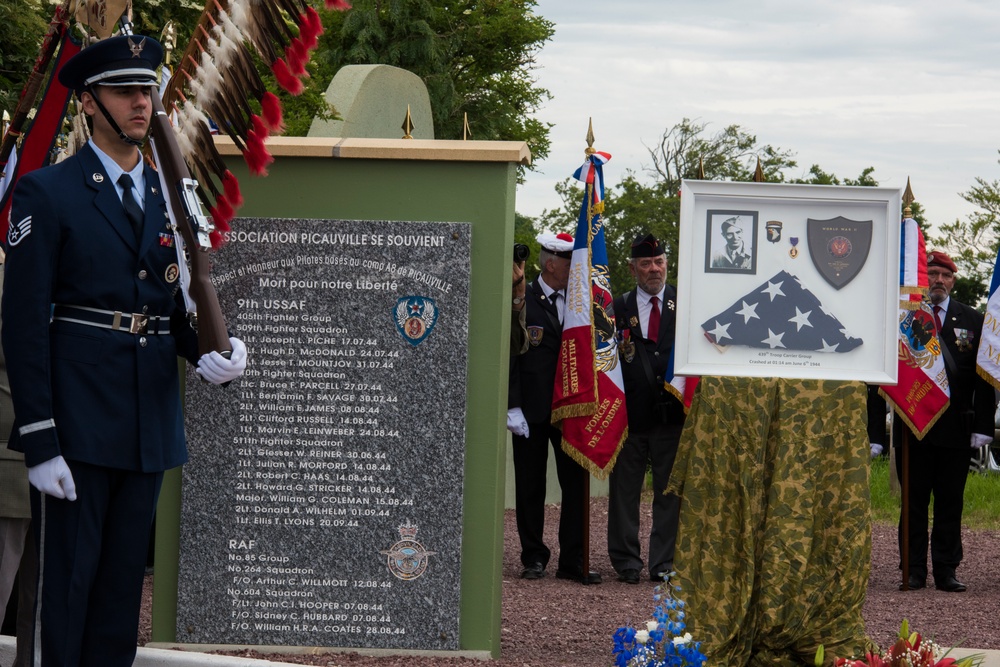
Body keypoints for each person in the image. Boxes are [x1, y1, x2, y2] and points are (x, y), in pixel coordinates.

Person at [1, 35, 247, 665]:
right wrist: (39, 436)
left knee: (116, 604)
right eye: (124, 91)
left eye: (148, 90)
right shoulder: (47, 193)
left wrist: (210, 353)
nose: (142, 103)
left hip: (147, 421)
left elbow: (176, 302)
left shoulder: (173, 196)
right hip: (77, 425)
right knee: (65, 595)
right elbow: (24, 324)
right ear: (88, 102)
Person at [869, 250, 995, 592]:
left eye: (945, 275)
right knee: (913, 502)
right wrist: (875, 431)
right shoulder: (904, 319)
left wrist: (984, 426)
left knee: (950, 501)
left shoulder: (972, 319)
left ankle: (945, 570)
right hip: (913, 427)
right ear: (924, 279)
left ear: (953, 281)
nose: (939, 280)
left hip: (957, 429)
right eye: (933, 274)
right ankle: (912, 570)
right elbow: (881, 374)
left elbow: (984, 376)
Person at [506, 232, 599, 583]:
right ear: (550, 264)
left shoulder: (580, 304)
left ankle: (572, 559)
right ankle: (533, 556)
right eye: (570, 264)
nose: (577, 271)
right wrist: (512, 405)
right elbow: (511, 355)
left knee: (575, 484)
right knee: (531, 485)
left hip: (571, 408)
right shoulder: (521, 298)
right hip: (530, 410)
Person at [608, 233, 685, 583]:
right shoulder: (617, 308)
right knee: (625, 491)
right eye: (645, 264)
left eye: (659, 262)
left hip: (672, 415)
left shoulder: (683, 304)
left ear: (667, 263)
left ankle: (664, 563)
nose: (654, 270)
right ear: (632, 268)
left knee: (669, 492)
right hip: (629, 416)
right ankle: (626, 561)